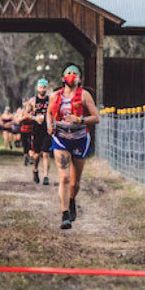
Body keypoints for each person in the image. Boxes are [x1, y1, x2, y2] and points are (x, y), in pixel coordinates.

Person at [47, 64, 100, 230]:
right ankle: (64, 215)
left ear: (80, 78)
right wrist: (49, 125)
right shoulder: (55, 96)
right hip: (61, 138)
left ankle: (71, 200)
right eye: (68, 73)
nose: (71, 75)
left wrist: (80, 120)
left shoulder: (84, 95)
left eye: (74, 73)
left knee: (75, 182)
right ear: (63, 78)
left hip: (80, 138)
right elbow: (49, 112)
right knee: (64, 177)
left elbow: (96, 118)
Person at [23, 78, 52, 185]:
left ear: (47, 88)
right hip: (36, 130)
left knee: (46, 153)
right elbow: (26, 114)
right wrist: (35, 118)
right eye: (41, 87)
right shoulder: (33, 101)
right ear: (37, 88)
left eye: (44, 87)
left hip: (47, 129)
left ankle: (46, 176)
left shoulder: (50, 100)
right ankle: (35, 169)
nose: (42, 89)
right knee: (36, 155)